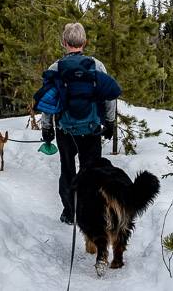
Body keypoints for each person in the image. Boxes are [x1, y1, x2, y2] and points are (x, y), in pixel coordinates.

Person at [40, 22, 121, 224]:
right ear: (84, 42)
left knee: (67, 169)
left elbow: (48, 101)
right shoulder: (97, 66)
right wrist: (110, 123)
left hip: (65, 130)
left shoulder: (55, 67)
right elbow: (110, 97)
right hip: (92, 129)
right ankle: (91, 211)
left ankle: (70, 212)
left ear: (64, 42)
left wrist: (47, 128)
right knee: (91, 171)